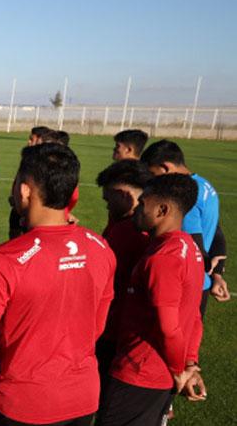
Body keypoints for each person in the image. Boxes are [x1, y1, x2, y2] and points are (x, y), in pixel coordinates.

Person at [0, 143, 115, 426]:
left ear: (24, 190)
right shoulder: (101, 247)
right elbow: (97, 326)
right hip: (83, 398)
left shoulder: (4, 259)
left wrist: (0, 374)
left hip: (25, 402)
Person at [98, 173, 207, 426]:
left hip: (139, 372)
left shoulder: (163, 258)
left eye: (143, 202)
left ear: (162, 209)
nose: (137, 208)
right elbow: (194, 316)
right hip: (159, 374)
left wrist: (180, 369)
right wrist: (189, 363)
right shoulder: (189, 247)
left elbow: (169, 328)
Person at [141, 140, 229, 312]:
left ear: (165, 167)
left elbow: (191, 246)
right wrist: (216, 272)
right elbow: (217, 233)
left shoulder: (183, 195)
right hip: (201, 281)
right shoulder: (205, 185)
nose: (151, 180)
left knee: (172, 334)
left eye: (153, 173)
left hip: (186, 285)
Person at [93, 160, 154, 378]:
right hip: (128, 329)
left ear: (124, 194)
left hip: (114, 328)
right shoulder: (134, 225)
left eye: (108, 198)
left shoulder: (126, 234)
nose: (106, 204)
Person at [7, 127, 49, 240]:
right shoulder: (26, 157)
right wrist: (14, 196)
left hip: (33, 209)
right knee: (13, 237)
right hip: (17, 207)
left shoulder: (45, 161)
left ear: (40, 140)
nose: (28, 142)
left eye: (32, 139)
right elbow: (19, 178)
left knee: (31, 240)